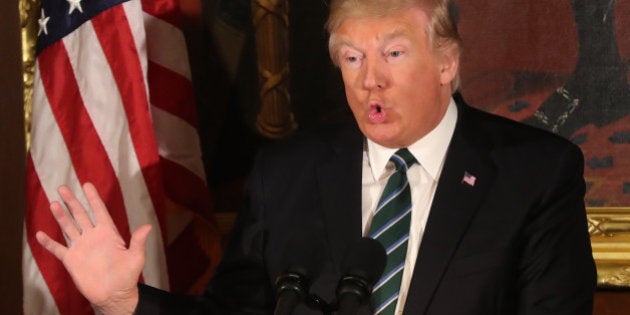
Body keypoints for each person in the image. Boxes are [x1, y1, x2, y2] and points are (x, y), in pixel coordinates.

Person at [36, 0, 597, 314]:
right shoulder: (289, 172)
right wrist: (126, 301)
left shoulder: (535, 173)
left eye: (394, 53)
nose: (370, 79)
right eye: (352, 58)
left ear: (447, 62)